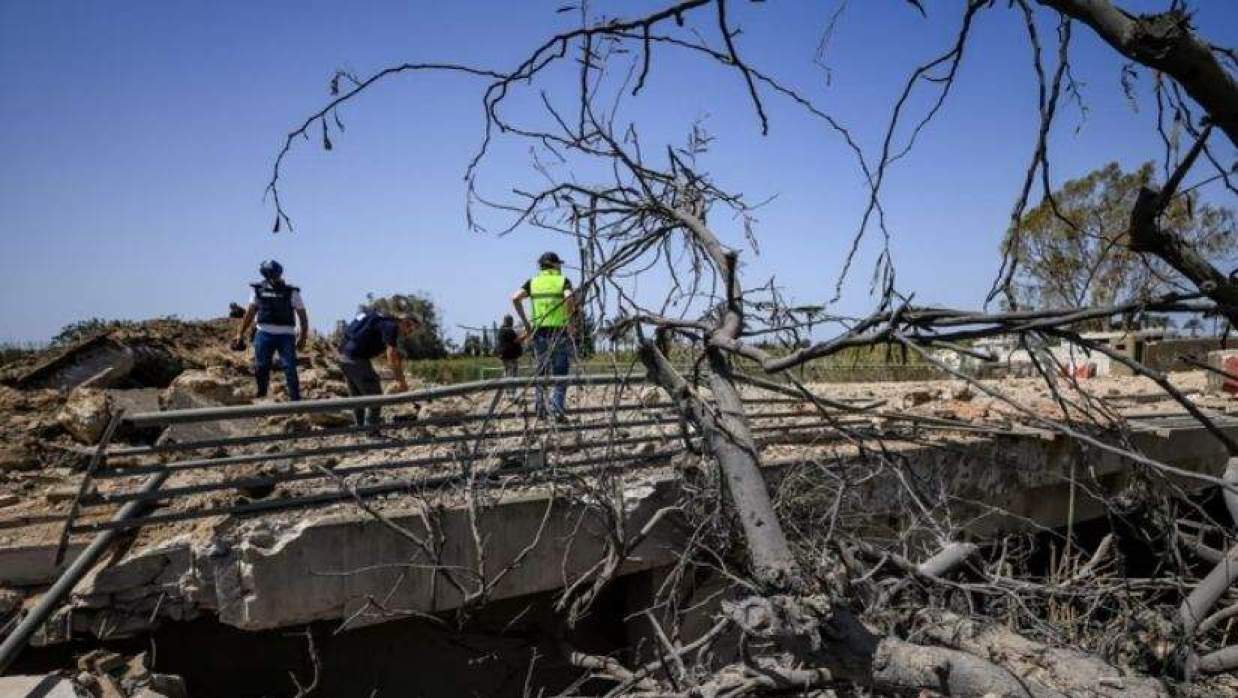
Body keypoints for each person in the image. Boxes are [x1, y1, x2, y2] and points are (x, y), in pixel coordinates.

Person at [511, 251, 575, 420]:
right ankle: (557, 410)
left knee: (541, 371)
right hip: (559, 331)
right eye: (559, 264)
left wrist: (526, 324)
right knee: (560, 372)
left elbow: (515, 298)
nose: (560, 267)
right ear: (554, 265)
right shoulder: (563, 281)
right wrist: (569, 321)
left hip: (539, 332)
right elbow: (569, 298)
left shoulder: (533, 282)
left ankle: (540, 409)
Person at [234, 260, 308, 402]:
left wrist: (303, 336)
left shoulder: (291, 292)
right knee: (261, 366)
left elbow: (302, 315)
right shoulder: (258, 290)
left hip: (286, 335)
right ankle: (262, 395)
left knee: (289, 367)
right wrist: (240, 333)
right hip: (264, 333)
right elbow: (250, 313)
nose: (273, 277)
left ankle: (295, 400)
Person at [337, 309, 420, 430]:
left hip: (343, 357)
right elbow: (391, 355)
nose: (409, 333)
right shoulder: (392, 327)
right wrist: (401, 381)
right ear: (405, 322)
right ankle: (371, 432)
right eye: (410, 328)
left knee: (358, 398)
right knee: (376, 398)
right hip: (357, 360)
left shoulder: (379, 318)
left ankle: (359, 429)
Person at [495, 315, 523, 382]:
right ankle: (511, 386)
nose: (512, 322)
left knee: (507, 370)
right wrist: (525, 335)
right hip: (510, 356)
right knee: (512, 371)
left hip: (504, 355)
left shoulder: (501, 330)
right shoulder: (508, 330)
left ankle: (507, 385)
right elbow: (516, 340)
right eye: (511, 321)